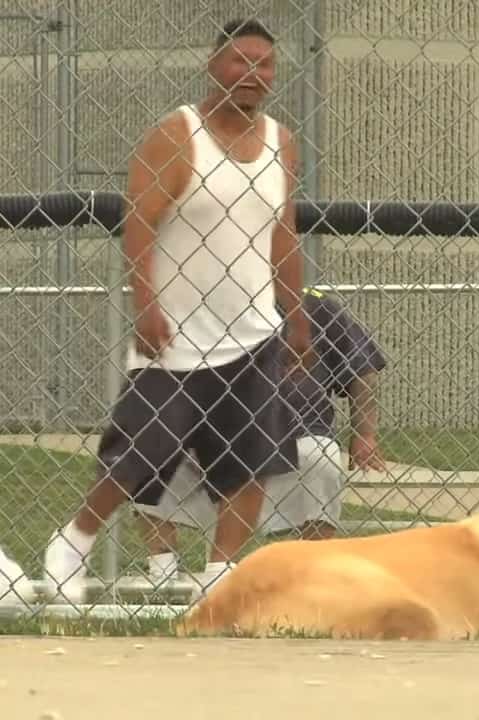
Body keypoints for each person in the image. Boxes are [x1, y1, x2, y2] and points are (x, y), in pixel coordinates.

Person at [42, 18, 309, 603]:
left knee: (251, 460)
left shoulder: (282, 143)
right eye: (241, 61)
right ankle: (73, 544)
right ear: (214, 66)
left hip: (255, 333)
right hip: (177, 334)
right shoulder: (177, 133)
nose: (253, 75)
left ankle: (218, 576)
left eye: (265, 65)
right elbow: (139, 220)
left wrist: (297, 315)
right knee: (139, 452)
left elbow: (282, 233)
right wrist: (146, 303)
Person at [133, 287, 389, 585]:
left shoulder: (316, 308)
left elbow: (363, 370)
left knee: (321, 461)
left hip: (297, 433)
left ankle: (310, 573)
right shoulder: (205, 306)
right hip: (215, 436)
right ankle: (163, 572)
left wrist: (365, 434)